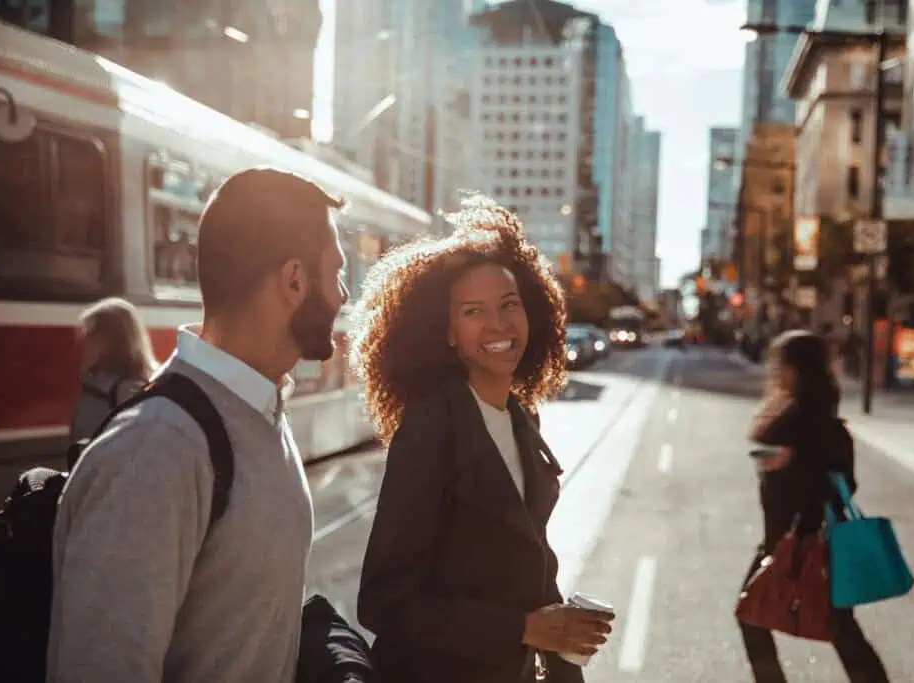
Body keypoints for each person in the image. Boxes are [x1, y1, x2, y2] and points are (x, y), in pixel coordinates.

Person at [47, 167, 349, 682]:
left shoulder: (260, 413)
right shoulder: (157, 451)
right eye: (336, 273)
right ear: (295, 280)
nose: (343, 295)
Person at [348, 196, 613, 683]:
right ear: (446, 332)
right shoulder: (429, 430)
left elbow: (537, 574)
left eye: (509, 304)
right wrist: (525, 629)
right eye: (473, 312)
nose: (498, 325)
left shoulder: (520, 418)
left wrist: (560, 642)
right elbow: (384, 603)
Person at [741, 331, 890, 683]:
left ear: (797, 369)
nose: (776, 371)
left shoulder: (806, 421)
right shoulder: (814, 416)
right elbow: (845, 480)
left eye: (781, 364)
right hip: (806, 541)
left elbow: (835, 484)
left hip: (800, 542)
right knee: (840, 629)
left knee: (753, 614)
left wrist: (789, 465)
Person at [68, 297, 157, 447]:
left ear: (114, 339)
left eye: (93, 333)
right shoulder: (94, 379)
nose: (85, 339)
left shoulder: (129, 390)